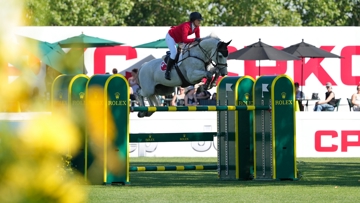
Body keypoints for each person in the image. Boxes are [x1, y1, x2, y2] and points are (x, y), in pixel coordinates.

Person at [164, 12, 203, 80]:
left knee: (186, 51)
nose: (199, 22)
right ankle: (167, 71)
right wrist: (195, 39)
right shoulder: (186, 26)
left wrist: (198, 41)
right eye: (198, 20)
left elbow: (198, 39)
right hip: (171, 37)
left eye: (200, 20)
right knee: (174, 53)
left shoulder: (197, 28)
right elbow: (185, 40)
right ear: (193, 20)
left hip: (180, 39)